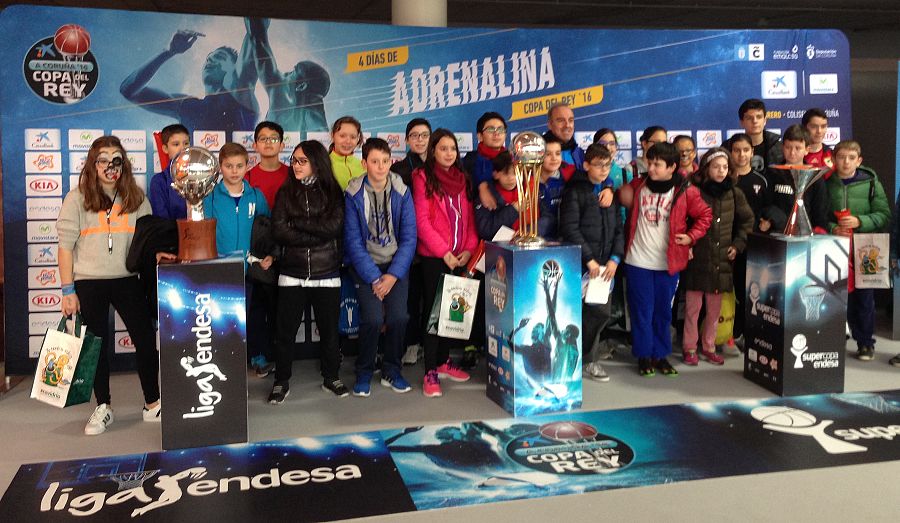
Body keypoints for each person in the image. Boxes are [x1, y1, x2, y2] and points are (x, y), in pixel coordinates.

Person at [57, 136, 160, 435]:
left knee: (144, 338)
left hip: (128, 280)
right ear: (93, 163)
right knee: (96, 347)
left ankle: (153, 403)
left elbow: (148, 241)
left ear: (123, 164)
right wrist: (68, 290)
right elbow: (64, 247)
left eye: (117, 159)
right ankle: (103, 406)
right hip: (89, 283)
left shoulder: (136, 197)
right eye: (103, 159)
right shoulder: (76, 198)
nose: (110, 166)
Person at [619, 142, 712, 377]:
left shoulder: (685, 190)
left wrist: (691, 237)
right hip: (637, 261)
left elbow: (705, 215)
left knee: (663, 312)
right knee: (642, 311)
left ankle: (660, 355)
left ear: (672, 167)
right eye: (649, 163)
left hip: (668, 264)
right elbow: (621, 195)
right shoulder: (638, 185)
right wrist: (612, 192)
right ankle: (643, 355)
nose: (651, 168)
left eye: (657, 165)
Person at [270, 140, 346, 403]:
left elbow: (334, 228)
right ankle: (281, 381)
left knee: (329, 331)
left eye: (302, 160)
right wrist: (316, 232)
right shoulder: (285, 192)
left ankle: (331, 376)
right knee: (285, 333)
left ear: (316, 162)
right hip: (292, 272)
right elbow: (280, 231)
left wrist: (300, 224)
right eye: (294, 160)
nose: (296, 165)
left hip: (327, 272)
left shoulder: (333, 192)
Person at [344, 138, 417, 396]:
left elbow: (409, 239)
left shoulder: (402, 191)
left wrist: (393, 276)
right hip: (367, 267)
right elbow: (353, 242)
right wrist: (376, 278)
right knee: (373, 319)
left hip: (395, 266)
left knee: (399, 317)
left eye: (385, 161)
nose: (381, 167)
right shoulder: (352, 194)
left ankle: (392, 370)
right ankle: (364, 371)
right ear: (364, 163)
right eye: (374, 162)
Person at [412, 129, 477, 397]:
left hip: (459, 257)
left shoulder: (463, 179)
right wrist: (444, 252)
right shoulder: (422, 177)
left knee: (453, 312)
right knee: (433, 314)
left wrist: (468, 249)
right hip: (434, 258)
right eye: (443, 149)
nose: (448, 153)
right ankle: (429, 371)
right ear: (432, 152)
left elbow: (470, 222)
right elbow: (422, 221)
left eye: (452, 149)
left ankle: (443, 361)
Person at [201, 143, 275, 377]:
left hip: (250, 269)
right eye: (229, 166)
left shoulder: (256, 196)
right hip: (220, 269)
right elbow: (204, 233)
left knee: (253, 314)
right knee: (223, 319)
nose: (234, 171)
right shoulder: (211, 197)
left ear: (247, 166)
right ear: (220, 167)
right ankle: (224, 360)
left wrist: (268, 256)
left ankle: (257, 356)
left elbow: (267, 229)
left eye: (239, 166)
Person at [681, 148, 754, 365]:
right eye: (716, 167)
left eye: (725, 167)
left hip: (722, 261)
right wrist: (687, 243)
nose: (721, 171)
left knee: (714, 309)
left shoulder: (734, 193)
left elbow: (747, 222)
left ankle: (709, 346)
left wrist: (738, 244)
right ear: (706, 169)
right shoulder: (693, 190)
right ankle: (689, 347)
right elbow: (681, 219)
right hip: (696, 259)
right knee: (693, 309)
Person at [558, 144, 624, 382]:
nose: (604, 169)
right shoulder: (575, 192)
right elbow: (570, 229)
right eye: (598, 165)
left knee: (599, 313)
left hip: (605, 269)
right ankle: (567, 362)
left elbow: (618, 230)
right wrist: (589, 260)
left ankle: (589, 360)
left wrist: (615, 259)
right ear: (586, 165)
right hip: (579, 266)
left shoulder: (610, 192)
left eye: (607, 165)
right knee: (570, 314)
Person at [120, 29, 257, 134]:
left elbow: (255, 32)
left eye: (219, 57)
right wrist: (168, 52)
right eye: (208, 58)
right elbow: (129, 91)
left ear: (236, 68)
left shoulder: (242, 95)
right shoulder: (189, 107)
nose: (210, 60)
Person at [825, 140, 891, 361]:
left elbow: (884, 215)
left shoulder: (870, 181)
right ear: (833, 159)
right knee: (832, 295)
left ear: (859, 160)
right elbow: (818, 215)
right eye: (841, 157)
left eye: (851, 158)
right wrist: (834, 227)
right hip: (835, 246)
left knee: (864, 297)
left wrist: (860, 221)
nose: (846, 162)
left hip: (866, 248)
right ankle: (830, 341)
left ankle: (865, 343)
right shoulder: (825, 181)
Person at [391, 118, 432, 365]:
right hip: (411, 246)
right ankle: (412, 344)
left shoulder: (440, 166)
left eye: (424, 135)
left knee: (432, 297)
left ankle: (434, 346)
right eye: (414, 135)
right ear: (406, 140)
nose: (419, 140)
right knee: (411, 298)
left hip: (437, 246)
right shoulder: (398, 171)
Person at [246, 18, 330, 134]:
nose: (286, 73)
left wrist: (256, 18)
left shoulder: (282, 94)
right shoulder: (317, 117)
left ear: (301, 86)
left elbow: (259, 43)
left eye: (293, 72)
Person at [729, 132, 771, 350]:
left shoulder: (761, 180)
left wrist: (768, 221)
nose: (741, 155)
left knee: (751, 291)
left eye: (746, 150)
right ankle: (730, 332)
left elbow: (767, 209)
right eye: (737, 150)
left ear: (752, 152)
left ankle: (749, 332)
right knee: (731, 290)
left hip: (753, 246)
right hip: (728, 245)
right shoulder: (724, 178)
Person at [763, 124, 829, 235]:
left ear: (807, 150)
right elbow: (766, 205)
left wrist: (818, 232)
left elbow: (820, 211)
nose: (792, 152)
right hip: (777, 233)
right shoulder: (773, 173)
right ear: (782, 147)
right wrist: (772, 220)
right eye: (788, 147)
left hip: (806, 235)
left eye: (798, 148)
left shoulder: (815, 177)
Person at [463, 112, 508, 212]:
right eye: (491, 129)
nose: (496, 133)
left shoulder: (512, 160)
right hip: (478, 218)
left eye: (500, 129)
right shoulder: (470, 160)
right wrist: (482, 186)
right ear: (480, 136)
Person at [148, 124, 191, 219]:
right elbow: (161, 219)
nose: (182, 148)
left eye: (186, 143)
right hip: (171, 232)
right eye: (176, 144)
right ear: (165, 149)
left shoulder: (201, 176)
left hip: (201, 231)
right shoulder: (159, 181)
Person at [733, 98, 783, 172]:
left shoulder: (779, 148)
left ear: (765, 120)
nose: (755, 121)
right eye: (749, 118)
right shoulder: (729, 147)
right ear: (742, 122)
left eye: (759, 117)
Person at [246, 121, 288, 209]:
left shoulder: (292, 174)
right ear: (255, 146)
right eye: (263, 138)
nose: (268, 142)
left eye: (274, 139)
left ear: (281, 146)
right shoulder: (248, 177)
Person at [542, 103, 583, 169]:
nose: (567, 125)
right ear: (550, 125)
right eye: (561, 121)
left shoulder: (579, 153)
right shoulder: (538, 152)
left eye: (570, 120)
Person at [329, 116, 365, 191]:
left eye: (353, 137)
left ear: (358, 138)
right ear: (333, 136)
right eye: (342, 136)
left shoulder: (364, 166)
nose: (348, 141)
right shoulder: (322, 165)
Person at [802, 108, 834, 172]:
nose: (819, 131)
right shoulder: (794, 155)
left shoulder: (832, 154)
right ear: (804, 128)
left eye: (823, 126)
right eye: (814, 127)